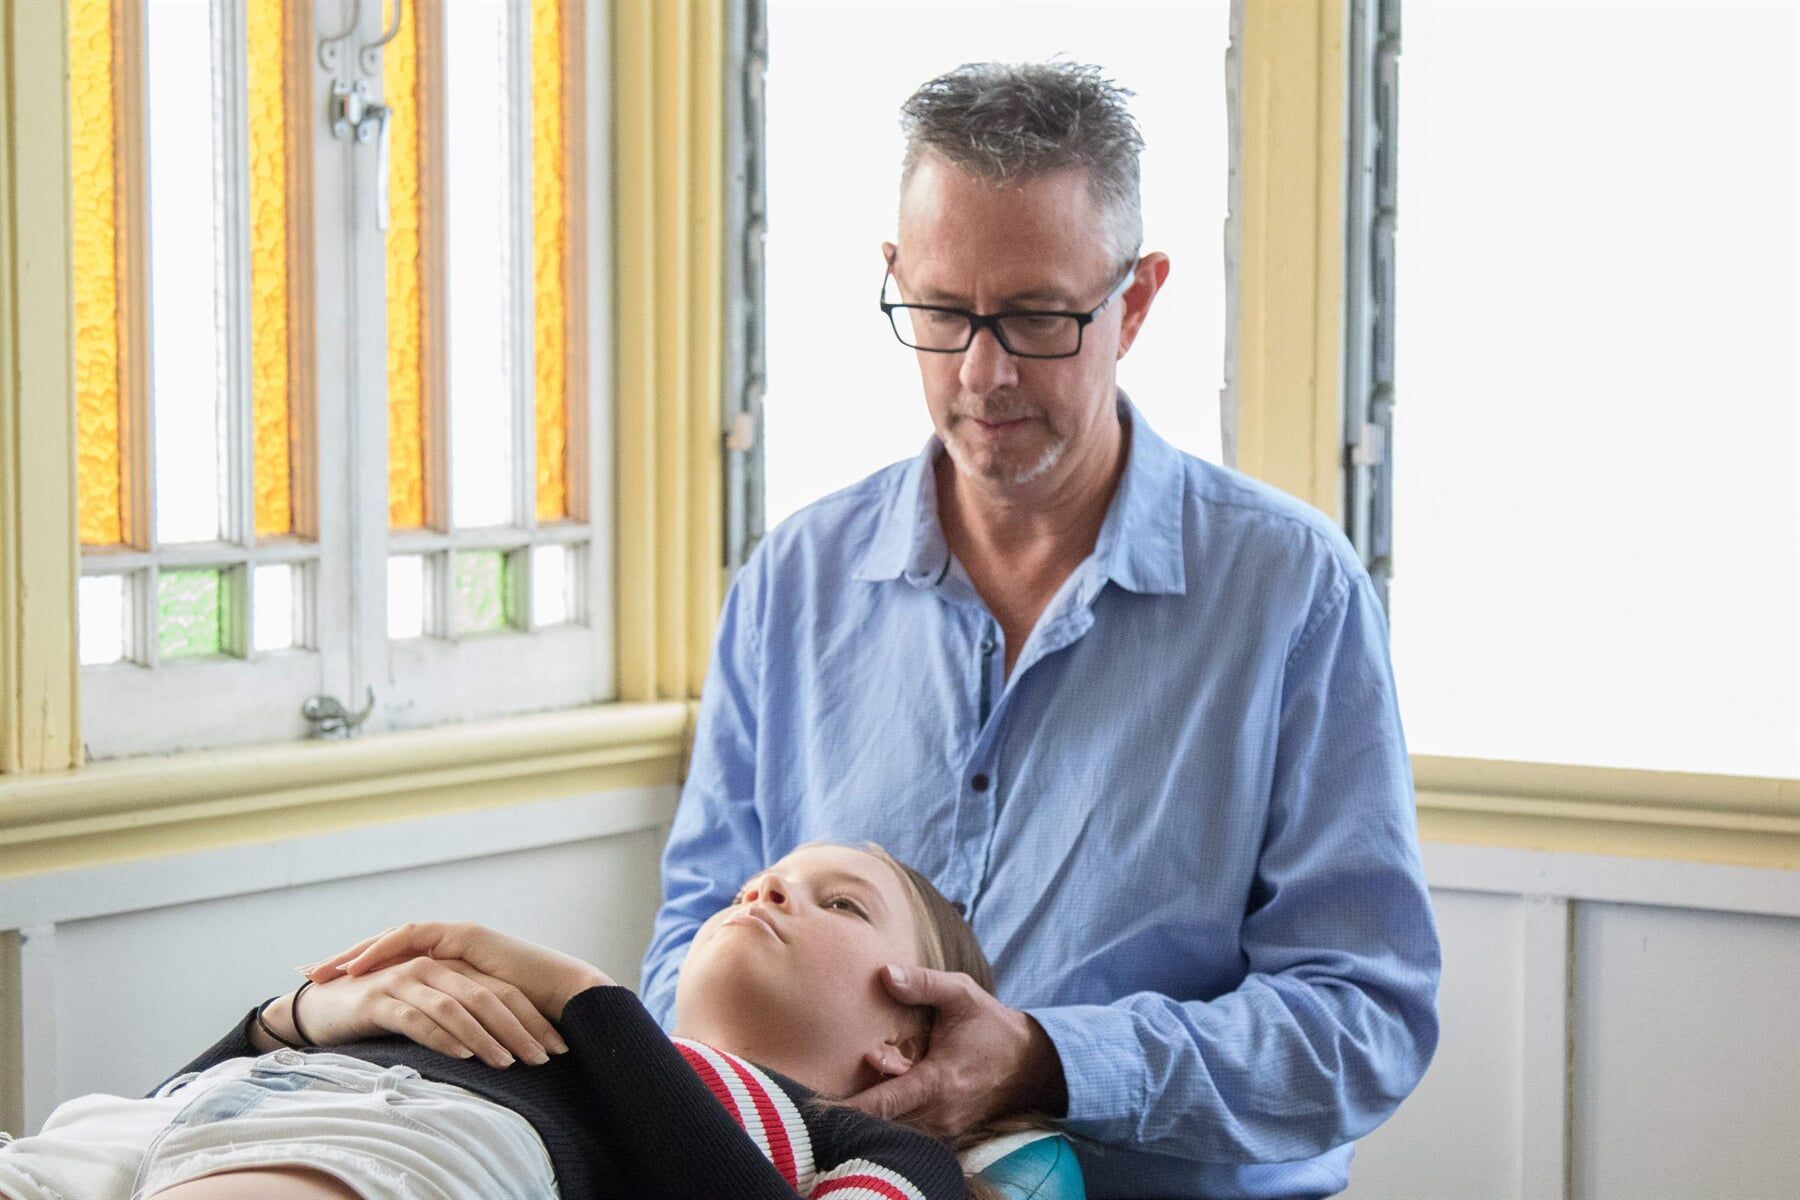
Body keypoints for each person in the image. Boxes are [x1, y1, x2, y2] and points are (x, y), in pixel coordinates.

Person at [641, 61, 1442, 1199]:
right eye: (942, 312)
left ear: (1137, 300)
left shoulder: (1290, 592)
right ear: (894, 276)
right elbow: (683, 946)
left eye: (1034, 317)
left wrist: (1050, 1062)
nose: (982, 372)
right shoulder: (793, 582)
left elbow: (1364, 1024)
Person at [0, 843, 1004, 1200]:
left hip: (399, 1146)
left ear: (904, 1037)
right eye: (765, 880)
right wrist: (296, 1015)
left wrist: (585, 999)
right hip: (191, 1113)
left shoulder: (854, 1142)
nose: (767, 893)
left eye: (840, 904)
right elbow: (165, 1103)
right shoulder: (593, 1033)